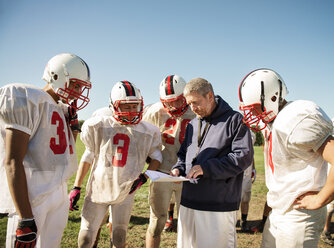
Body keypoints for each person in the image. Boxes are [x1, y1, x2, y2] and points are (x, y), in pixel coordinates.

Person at [0, 53, 92, 248]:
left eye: (81, 87)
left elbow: (64, 154)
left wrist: (72, 126)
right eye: (75, 85)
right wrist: (25, 218)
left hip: (58, 190)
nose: (78, 92)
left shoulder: (62, 109)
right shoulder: (26, 97)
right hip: (32, 192)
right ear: (56, 76)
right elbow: (13, 160)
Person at [239, 68, 334, 247]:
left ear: (273, 98)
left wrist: (321, 198)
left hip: (298, 213)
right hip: (279, 209)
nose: (253, 114)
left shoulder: (296, 117)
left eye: (255, 108)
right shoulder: (276, 119)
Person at [71, 81, 162, 248]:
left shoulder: (146, 130)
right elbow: (88, 156)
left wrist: (144, 176)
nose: (131, 111)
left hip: (126, 188)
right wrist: (76, 186)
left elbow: (157, 157)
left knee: (119, 236)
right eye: (126, 106)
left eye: (135, 106)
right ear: (113, 106)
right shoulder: (99, 125)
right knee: (85, 237)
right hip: (98, 188)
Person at [171, 77, 254, 247]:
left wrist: (206, 168)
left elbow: (242, 157)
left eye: (196, 102)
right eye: (189, 104)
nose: (192, 108)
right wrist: (178, 168)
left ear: (209, 96)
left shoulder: (236, 120)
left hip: (217, 205)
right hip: (188, 202)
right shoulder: (193, 124)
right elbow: (184, 154)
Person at [142, 74, 195, 248]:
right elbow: (144, 138)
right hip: (162, 173)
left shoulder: (195, 110)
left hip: (187, 176)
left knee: (189, 226)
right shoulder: (155, 111)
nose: (172, 106)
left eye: (177, 101)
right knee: (156, 222)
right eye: (168, 102)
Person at [239, 131, 256, 232]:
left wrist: (253, 168)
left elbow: (251, 152)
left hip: (247, 169)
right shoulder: (231, 129)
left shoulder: (251, 133)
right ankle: (230, 223)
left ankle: (243, 222)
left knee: (246, 198)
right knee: (233, 198)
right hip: (235, 168)